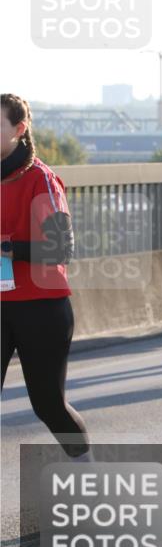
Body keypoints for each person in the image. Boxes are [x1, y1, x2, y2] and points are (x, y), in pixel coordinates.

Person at [1, 93, 90, 461]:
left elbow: (60, 248)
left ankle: (90, 474)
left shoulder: (41, 178)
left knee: (48, 405)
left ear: (19, 130)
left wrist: (9, 249)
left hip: (40, 307)